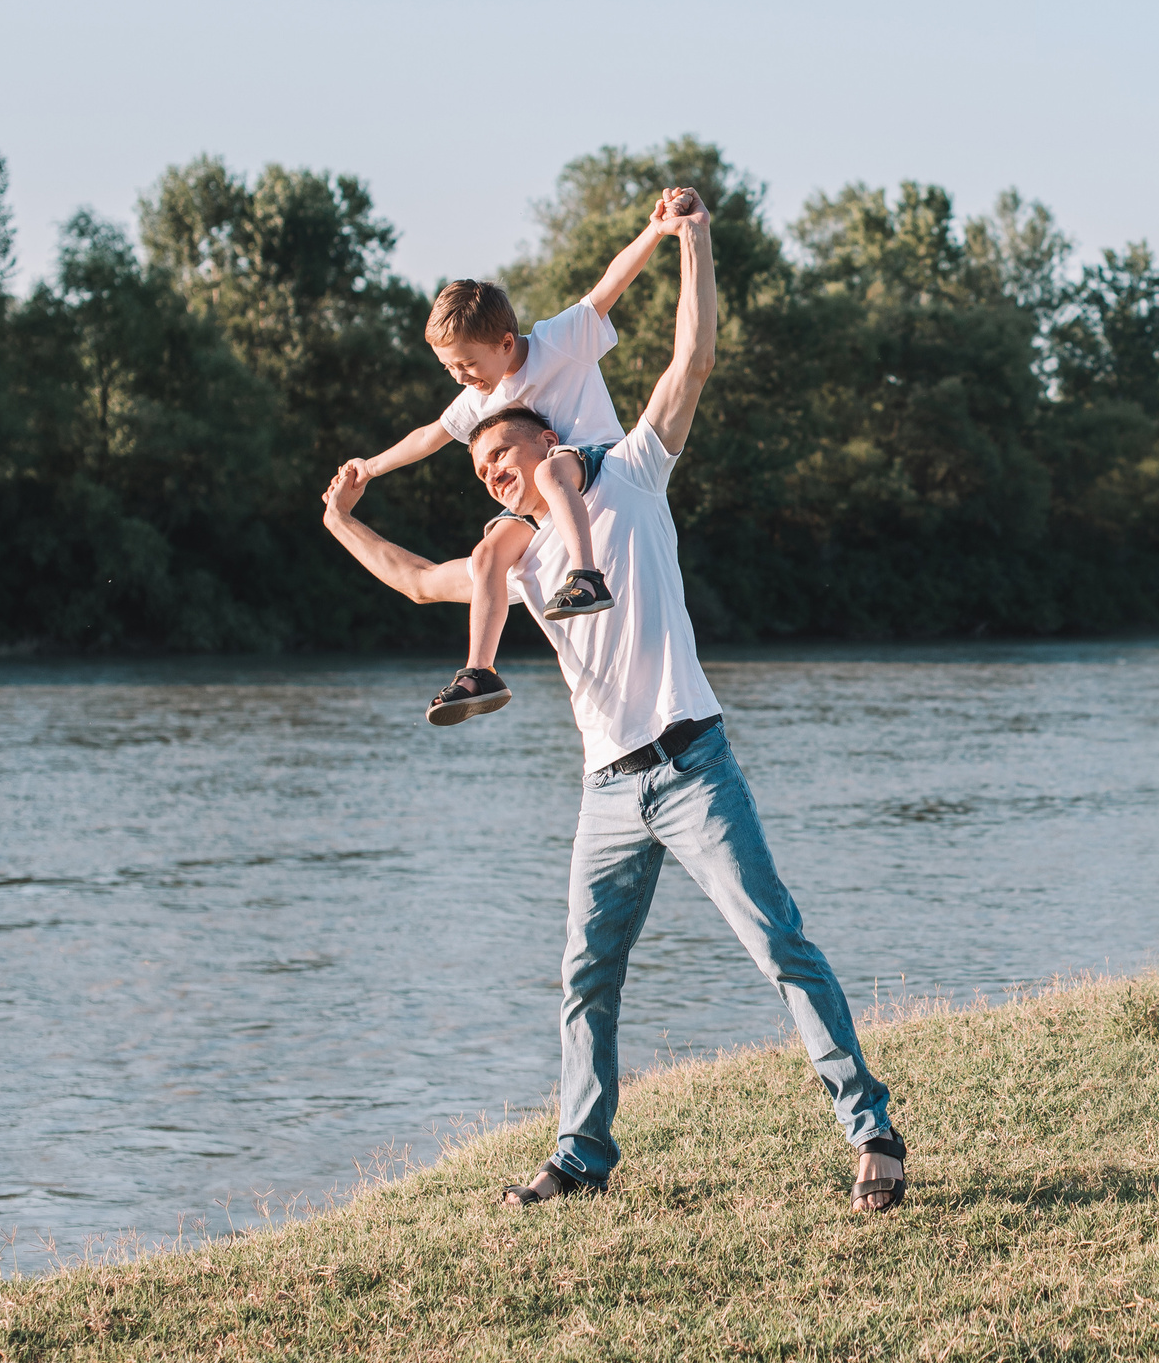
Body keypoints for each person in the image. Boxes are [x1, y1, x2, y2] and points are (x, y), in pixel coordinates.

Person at [317, 190, 908, 1213]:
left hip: (690, 763)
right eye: (482, 474)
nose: (494, 480)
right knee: (584, 976)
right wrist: (337, 518)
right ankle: (580, 1155)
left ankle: (874, 1132)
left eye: (503, 458)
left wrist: (694, 244)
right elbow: (418, 579)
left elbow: (693, 358)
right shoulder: (521, 556)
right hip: (604, 791)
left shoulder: (631, 473)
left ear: (545, 433)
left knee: (779, 945)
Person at [337, 200, 681, 727]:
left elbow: (611, 284)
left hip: (593, 462)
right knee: (487, 554)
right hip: (542, 496)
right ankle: (480, 670)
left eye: (467, 364)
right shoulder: (480, 396)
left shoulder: (558, 342)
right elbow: (429, 436)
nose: (460, 378)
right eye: (449, 368)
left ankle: (586, 576)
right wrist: (371, 468)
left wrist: (656, 232)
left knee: (549, 469)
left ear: (504, 342)